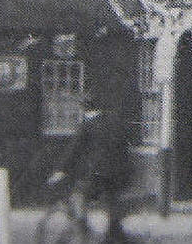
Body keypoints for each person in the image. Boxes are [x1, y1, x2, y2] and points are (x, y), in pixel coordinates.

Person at [47, 102, 133, 243]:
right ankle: (115, 233)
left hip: (98, 175)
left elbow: (74, 149)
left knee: (79, 195)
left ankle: (82, 229)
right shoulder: (114, 123)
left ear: (86, 111)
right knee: (111, 202)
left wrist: (60, 171)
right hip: (118, 175)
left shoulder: (87, 125)